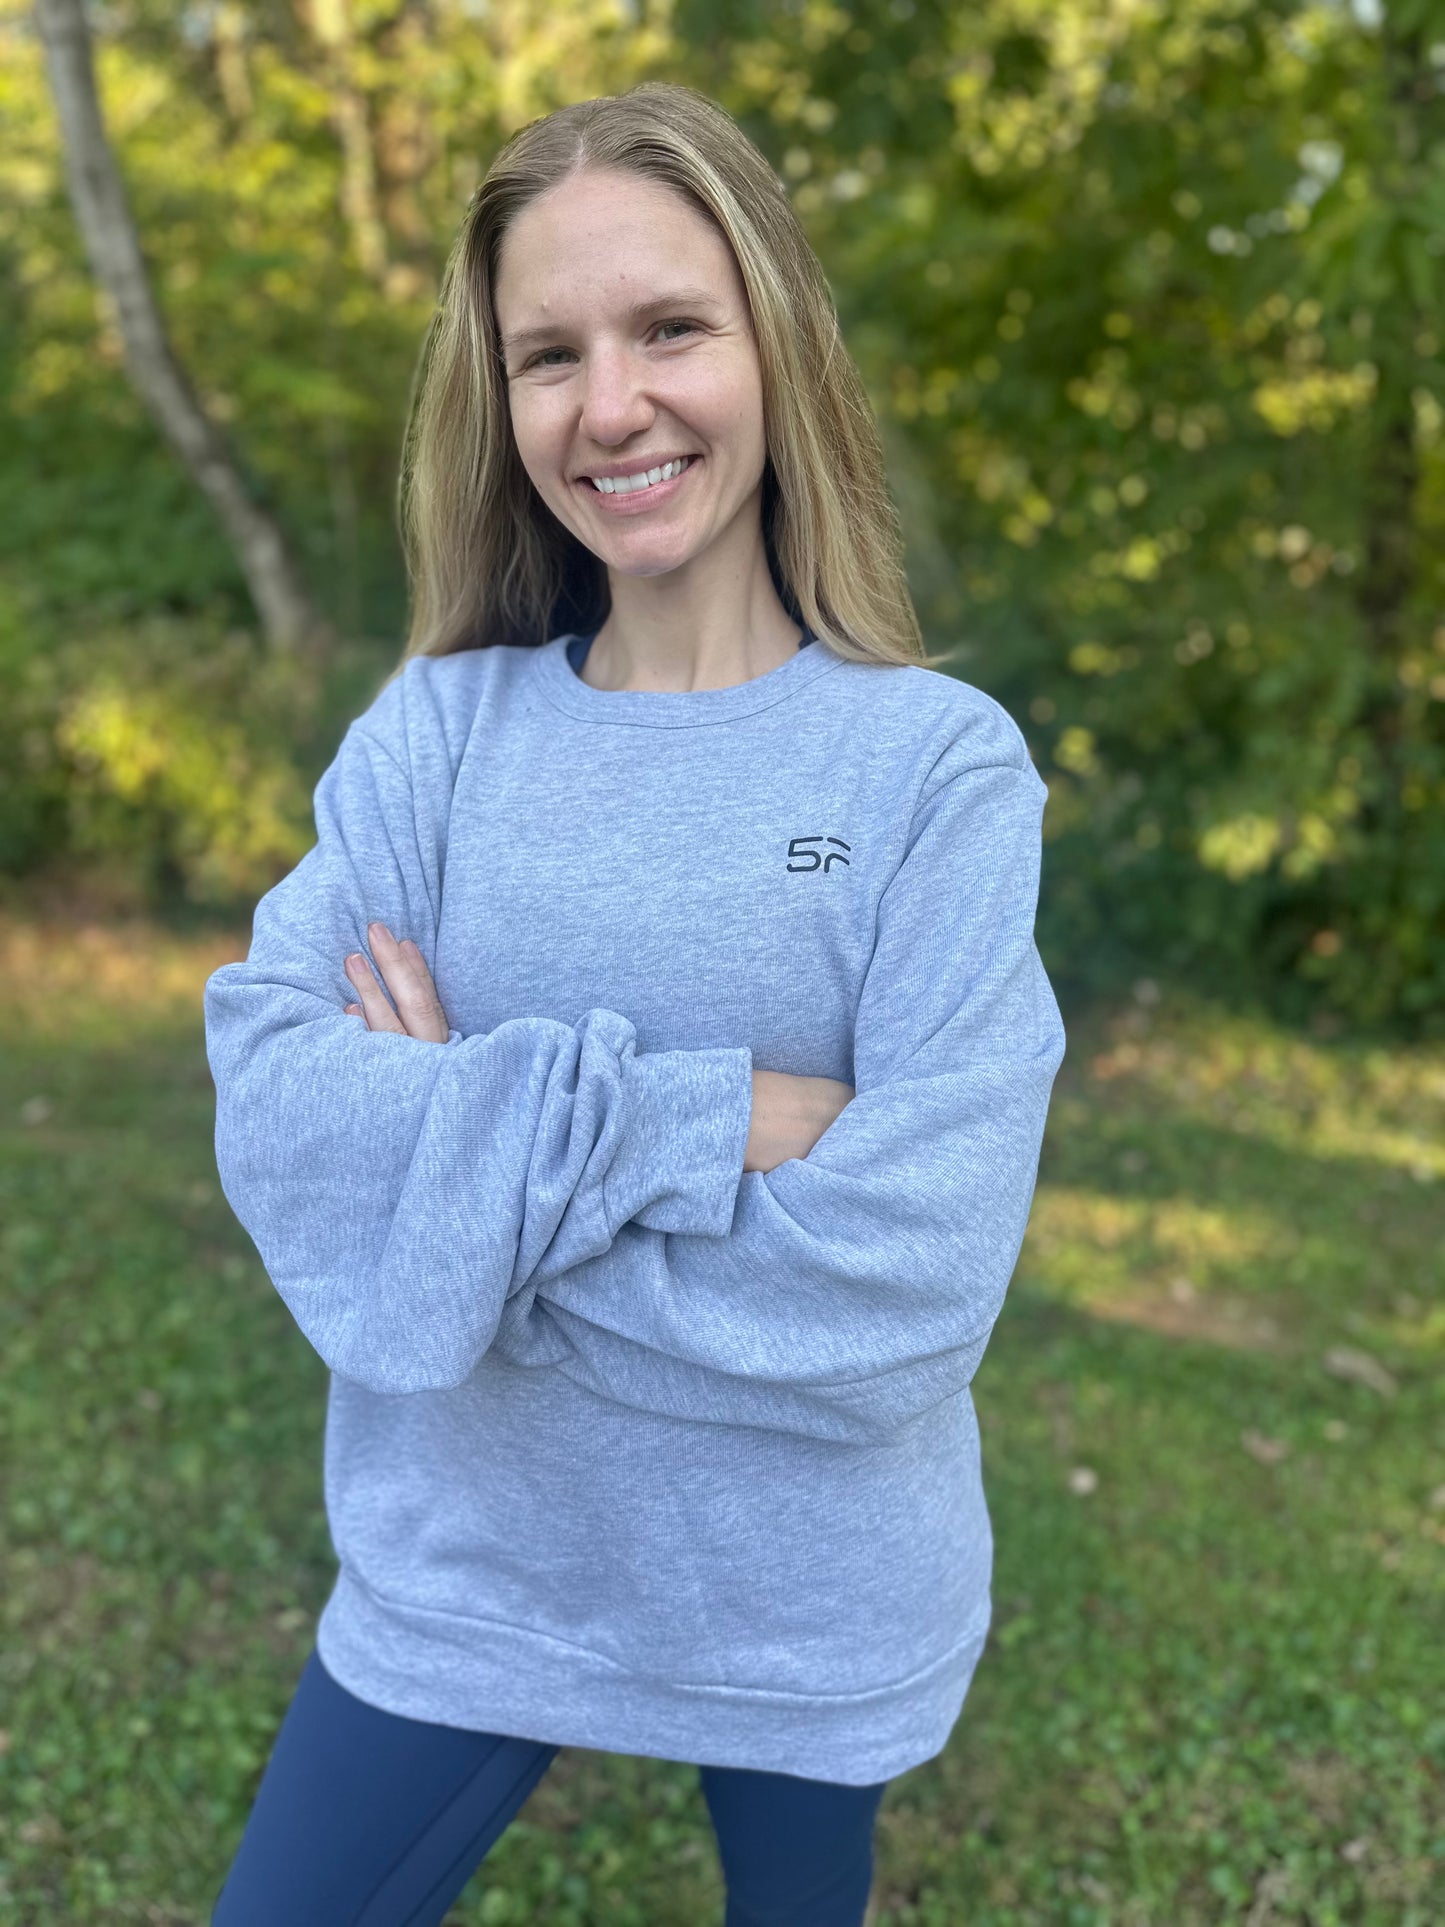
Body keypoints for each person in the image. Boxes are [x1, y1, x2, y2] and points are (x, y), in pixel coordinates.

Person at [203, 79, 1066, 1927]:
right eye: (547, 354)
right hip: (468, 1574)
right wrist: (715, 1121)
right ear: (498, 403)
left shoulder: (933, 771)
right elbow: (280, 1103)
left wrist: (472, 1215)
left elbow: (915, 1279)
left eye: (670, 326)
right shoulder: (433, 736)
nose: (610, 406)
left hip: (811, 1598)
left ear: (774, 343)